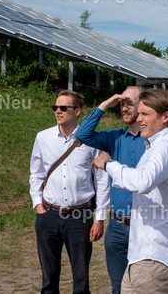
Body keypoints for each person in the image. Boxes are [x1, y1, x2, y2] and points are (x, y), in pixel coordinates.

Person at [93, 88, 168, 294]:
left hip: (153, 259)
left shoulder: (164, 147)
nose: (139, 119)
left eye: (145, 114)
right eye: (139, 113)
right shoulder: (164, 145)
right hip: (157, 255)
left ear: (166, 116)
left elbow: (143, 182)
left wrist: (109, 165)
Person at [29, 90, 110, 294]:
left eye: (63, 108)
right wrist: (38, 205)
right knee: (48, 278)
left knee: (81, 278)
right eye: (55, 107)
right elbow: (36, 174)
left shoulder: (92, 140)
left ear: (78, 111)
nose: (58, 111)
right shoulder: (43, 137)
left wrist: (99, 218)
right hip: (48, 214)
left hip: (80, 216)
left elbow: (102, 180)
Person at [75, 86, 149, 294]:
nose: (124, 108)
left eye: (129, 103)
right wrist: (105, 105)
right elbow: (82, 134)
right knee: (118, 287)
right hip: (116, 227)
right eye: (121, 104)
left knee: (144, 287)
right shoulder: (114, 137)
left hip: (145, 225)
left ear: (143, 106)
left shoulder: (154, 141)